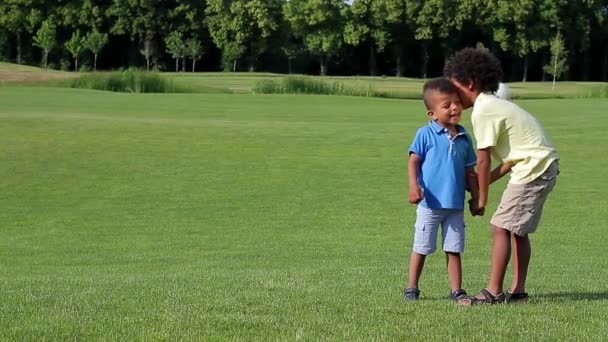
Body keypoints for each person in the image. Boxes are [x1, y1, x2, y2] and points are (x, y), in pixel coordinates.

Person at [444, 47, 560, 305]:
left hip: (534, 167)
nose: (451, 96)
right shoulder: (495, 105)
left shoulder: (483, 109)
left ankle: (493, 291)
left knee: (500, 226)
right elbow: (508, 161)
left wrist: (480, 199)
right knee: (516, 230)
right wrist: (478, 184)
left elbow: (483, 159)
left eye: (453, 88)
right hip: (539, 164)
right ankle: (517, 293)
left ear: (469, 83)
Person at [404, 77, 481, 301]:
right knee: (421, 247)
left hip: (455, 205)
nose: (454, 108)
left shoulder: (465, 138)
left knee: (454, 248)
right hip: (430, 204)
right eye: (446, 105)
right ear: (433, 114)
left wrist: (476, 198)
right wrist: (413, 185)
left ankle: (456, 289)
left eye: (456, 102)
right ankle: (412, 287)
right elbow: (413, 160)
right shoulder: (425, 134)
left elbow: (470, 173)